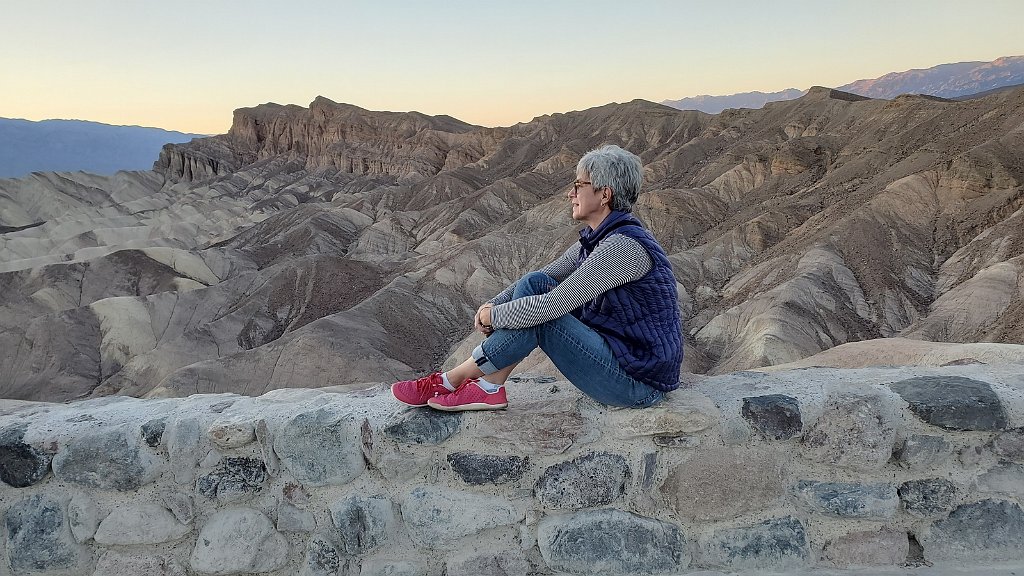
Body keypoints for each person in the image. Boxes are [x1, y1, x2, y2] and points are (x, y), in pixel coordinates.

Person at [391, 144, 682, 411]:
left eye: (579, 185)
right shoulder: (599, 239)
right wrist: (490, 305)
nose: (571, 194)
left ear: (604, 194)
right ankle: (488, 386)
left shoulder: (623, 248)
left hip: (638, 385)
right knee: (534, 283)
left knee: (544, 319)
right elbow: (541, 278)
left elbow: (549, 307)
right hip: (621, 360)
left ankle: (456, 379)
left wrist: (495, 317)